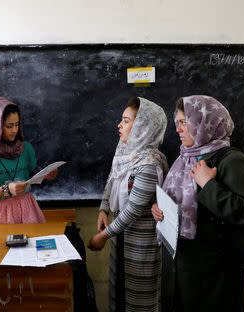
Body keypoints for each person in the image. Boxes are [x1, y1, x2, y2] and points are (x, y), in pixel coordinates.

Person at [151, 95, 244, 312]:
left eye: (184, 122)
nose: (178, 129)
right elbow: (179, 202)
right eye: (177, 123)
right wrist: (160, 210)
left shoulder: (233, 161)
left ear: (203, 123)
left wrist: (208, 184)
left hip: (214, 273)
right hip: (181, 263)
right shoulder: (185, 158)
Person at [88, 97, 169, 312]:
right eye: (121, 120)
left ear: (142, 127)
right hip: (121, 235)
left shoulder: (149, 163)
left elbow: (133, 209)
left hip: (141, 241)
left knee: (139, 294)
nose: (119, 125)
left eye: (126, 121)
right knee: (120, 291)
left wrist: (103, 236)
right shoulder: (126, 150)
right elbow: (113, 176)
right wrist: (104, 208)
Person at [0, 95, 57, 224]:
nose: (14, 130)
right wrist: (6, 189)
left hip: (26, 210)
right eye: (9, 126)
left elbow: (25, 176)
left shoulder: (25, 148)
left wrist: (44, 175)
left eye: (17, 125)